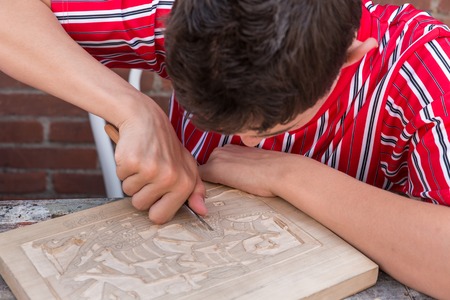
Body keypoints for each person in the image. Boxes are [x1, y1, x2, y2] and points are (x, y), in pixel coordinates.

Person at [0, 0, 449, 298]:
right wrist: (134, 108)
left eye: (282, 124)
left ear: (349, 57)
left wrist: (286, 175)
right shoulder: (188, 14)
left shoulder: (427, 70)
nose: (248, 142)